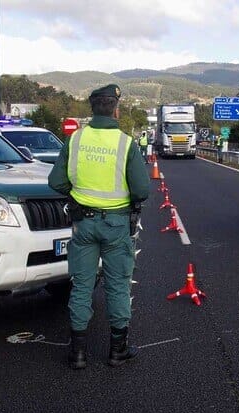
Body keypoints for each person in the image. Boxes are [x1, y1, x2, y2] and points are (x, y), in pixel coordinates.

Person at [48, 83, 150, 369]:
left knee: (81, 284)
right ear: (115, 109)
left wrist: (78, 193)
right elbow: (142, 190)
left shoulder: (75, 140)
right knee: (117, 285)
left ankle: (77, 353)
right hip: (117, 225)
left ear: (92, 108)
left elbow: (55, 182)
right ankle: (118, 350)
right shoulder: (126, 143)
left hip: (83, 223)